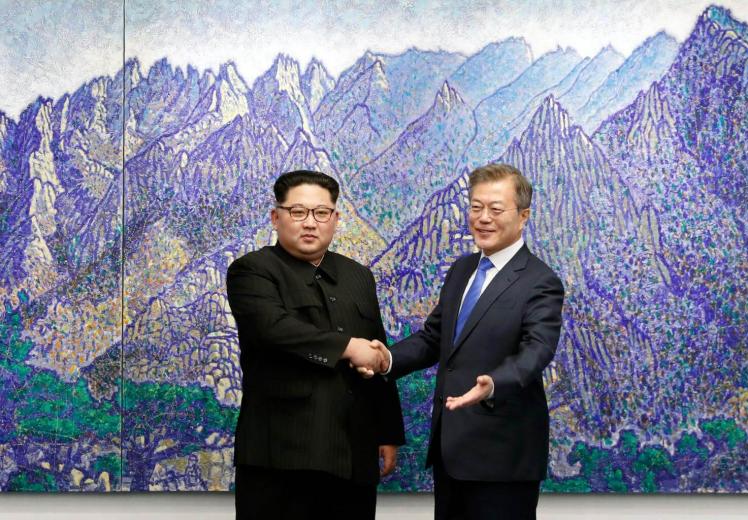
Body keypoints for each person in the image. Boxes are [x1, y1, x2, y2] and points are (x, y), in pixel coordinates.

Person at [383, 163, 564, 520]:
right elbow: (434, 338)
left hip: (503, 457)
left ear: (523, 215)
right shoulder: (462, 269)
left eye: (495, 209)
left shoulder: (541, 281)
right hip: (452, 452)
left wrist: (495, 383)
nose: (482, 218)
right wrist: (384, 360)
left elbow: (536, 351)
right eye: (475, 207)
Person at [226, 169, 404, 520]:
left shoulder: (358, 276)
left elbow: (377, 346)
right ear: (276, 218)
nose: (310, 223)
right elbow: (274, 329)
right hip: (280, 456)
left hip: (354, 453)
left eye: (321, 213)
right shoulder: (252, 270)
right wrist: (348, 347)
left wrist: (388, 432)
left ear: (336, 219)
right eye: (298, 212)